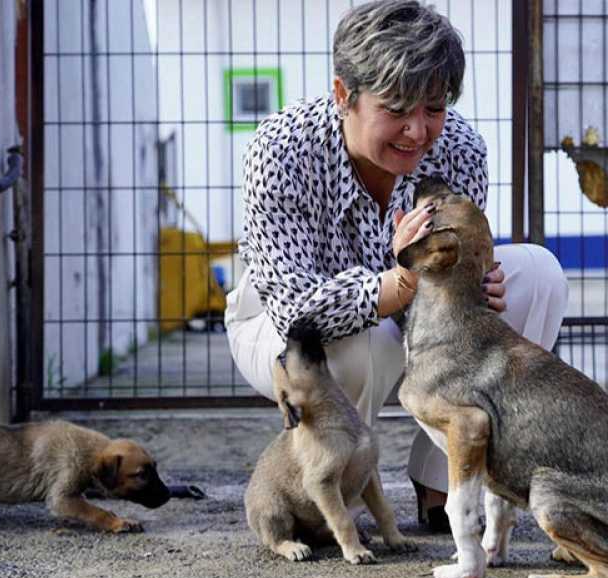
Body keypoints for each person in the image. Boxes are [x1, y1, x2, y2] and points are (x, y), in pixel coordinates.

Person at [225, 0, 569, 530]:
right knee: (363, 340)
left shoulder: (459, 148)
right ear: (345, 94)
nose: (417, 131)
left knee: (538, 276)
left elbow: (451, 280)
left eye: (433, 109)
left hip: (405, 320)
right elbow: (298, 315)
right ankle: (343, 495)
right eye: (397, 108)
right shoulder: (281, 149)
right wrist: (404, 279)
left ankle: (446, 481)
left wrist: (474, 289)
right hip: (279, 329)